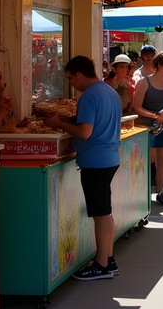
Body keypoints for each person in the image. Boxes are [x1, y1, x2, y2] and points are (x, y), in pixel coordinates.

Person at [44, 55, 121, 280]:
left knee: (101, 214)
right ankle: (109, 258)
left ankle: (101, 264)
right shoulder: (110, 91)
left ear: (79, 74)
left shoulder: (88, 96)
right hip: (109, 157)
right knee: (105, 212)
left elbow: (85, 132)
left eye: (70, 78)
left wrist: (60, 124)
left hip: (95, 161)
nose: (71, 84)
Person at [132, 51, 163, 207]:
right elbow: (137, 106)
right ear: (159, 65)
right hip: (147, 125)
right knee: (147, 160)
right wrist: (155, 115)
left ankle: (160, 192)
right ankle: (143, 192)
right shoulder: (144, 82)